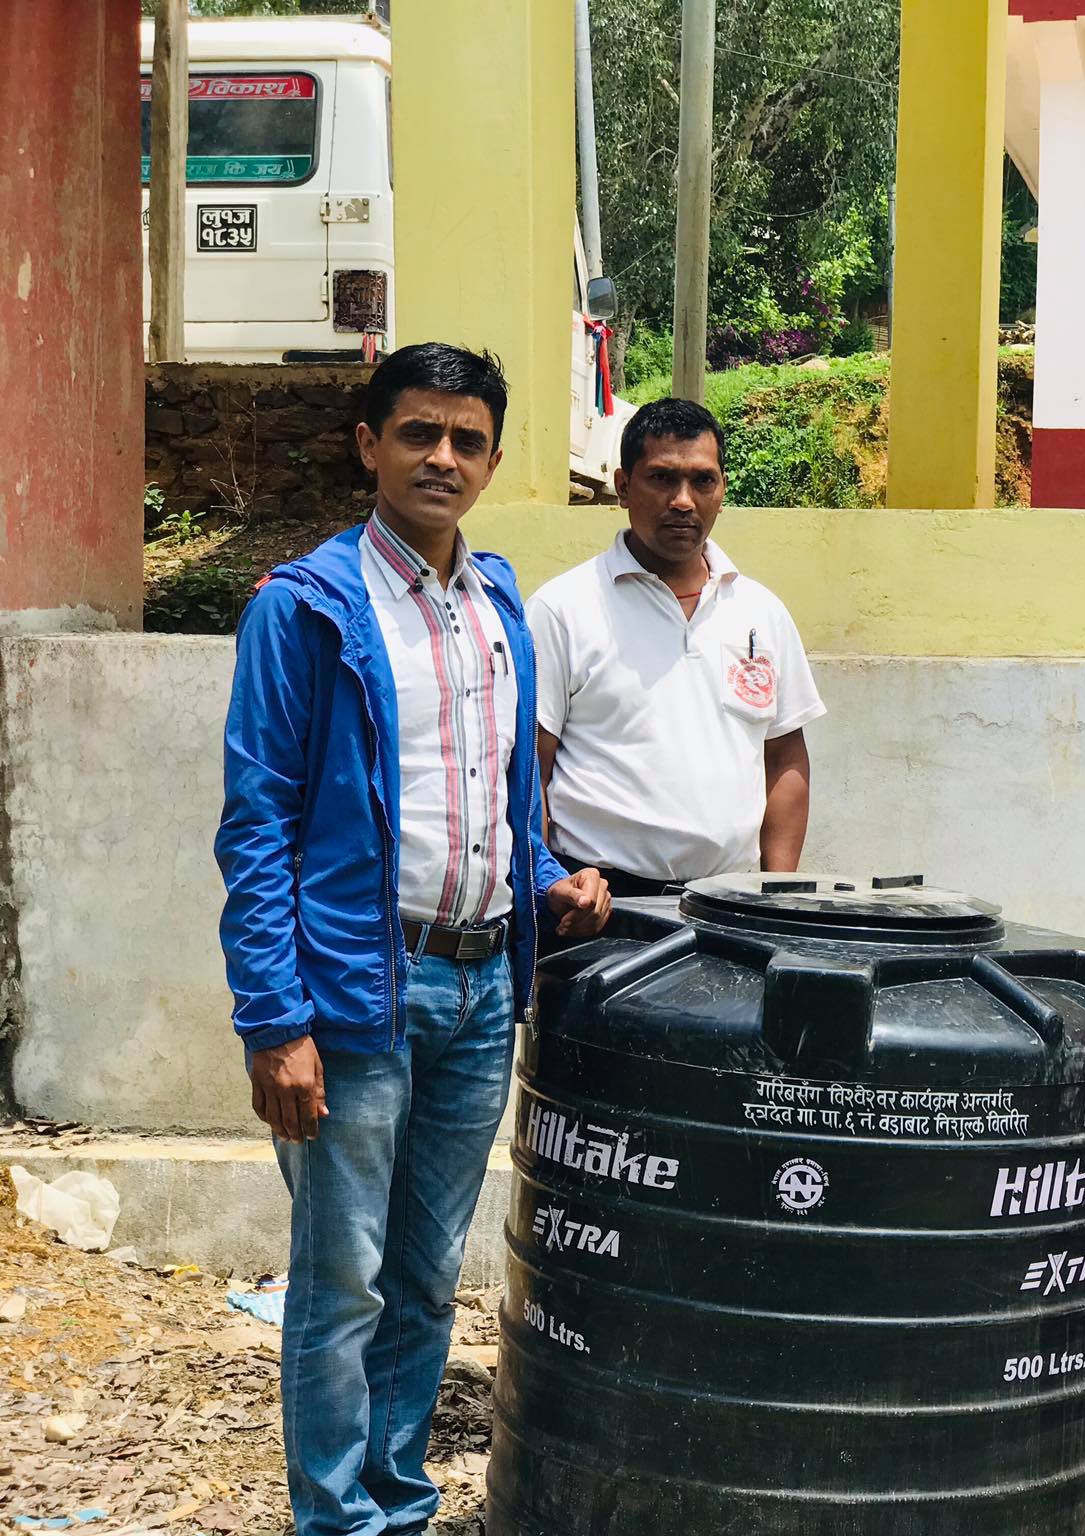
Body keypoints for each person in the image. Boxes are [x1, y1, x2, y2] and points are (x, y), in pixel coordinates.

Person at [214, 342, 611, 1536]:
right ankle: (337, 1518)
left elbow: (499, 803)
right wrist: (273, 1020)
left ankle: (396, 1499)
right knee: (343, 1280)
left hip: (482, 989)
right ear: (369, 445)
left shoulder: (496, 605)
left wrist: (548, 881)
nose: (443, 457)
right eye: (418, 433)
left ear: (492, 459)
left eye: (466, 439)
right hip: (356, 991)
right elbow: (257, 825)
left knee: (428, 1278)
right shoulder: (304, 609)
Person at [528, 397, 824, 897]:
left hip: (732, 902)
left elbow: (784, 759)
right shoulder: (562, 609)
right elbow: (531, 769)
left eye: (702, 481)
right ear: (624, 486)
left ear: (722, 490)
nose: (683, 501)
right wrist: (550, 889)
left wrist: (778, 896)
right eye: (662, 478)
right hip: (604, 904)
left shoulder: (761, 612)